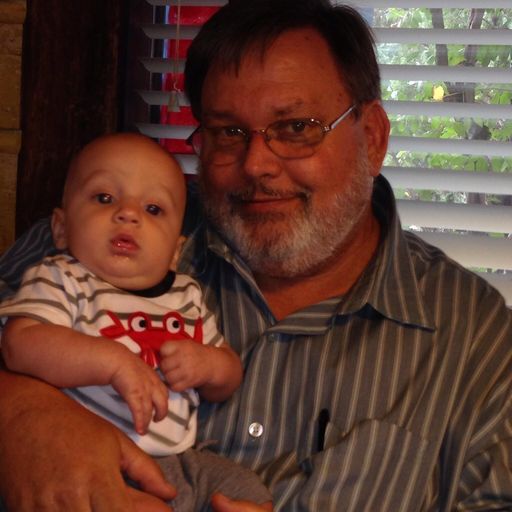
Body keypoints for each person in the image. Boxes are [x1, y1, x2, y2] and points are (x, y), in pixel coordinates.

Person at [0, 0, 511, 510]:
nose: (256, 164)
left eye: (296, 128)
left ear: (373, 138)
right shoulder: (104, 232)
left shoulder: (477, 340)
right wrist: (20, 416)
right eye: (229, 132)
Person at [0, 133, 272, 511]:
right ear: (61, 228)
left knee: (246, 488)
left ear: (175, 251)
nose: (128, 213)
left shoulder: (186, 296)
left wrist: (208, 365)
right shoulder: (63, 278)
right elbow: (20, 343)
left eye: (153, 209)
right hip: (97, 459)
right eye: (104, 198)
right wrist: (113, 362)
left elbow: (228, 375)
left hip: (181, 459)